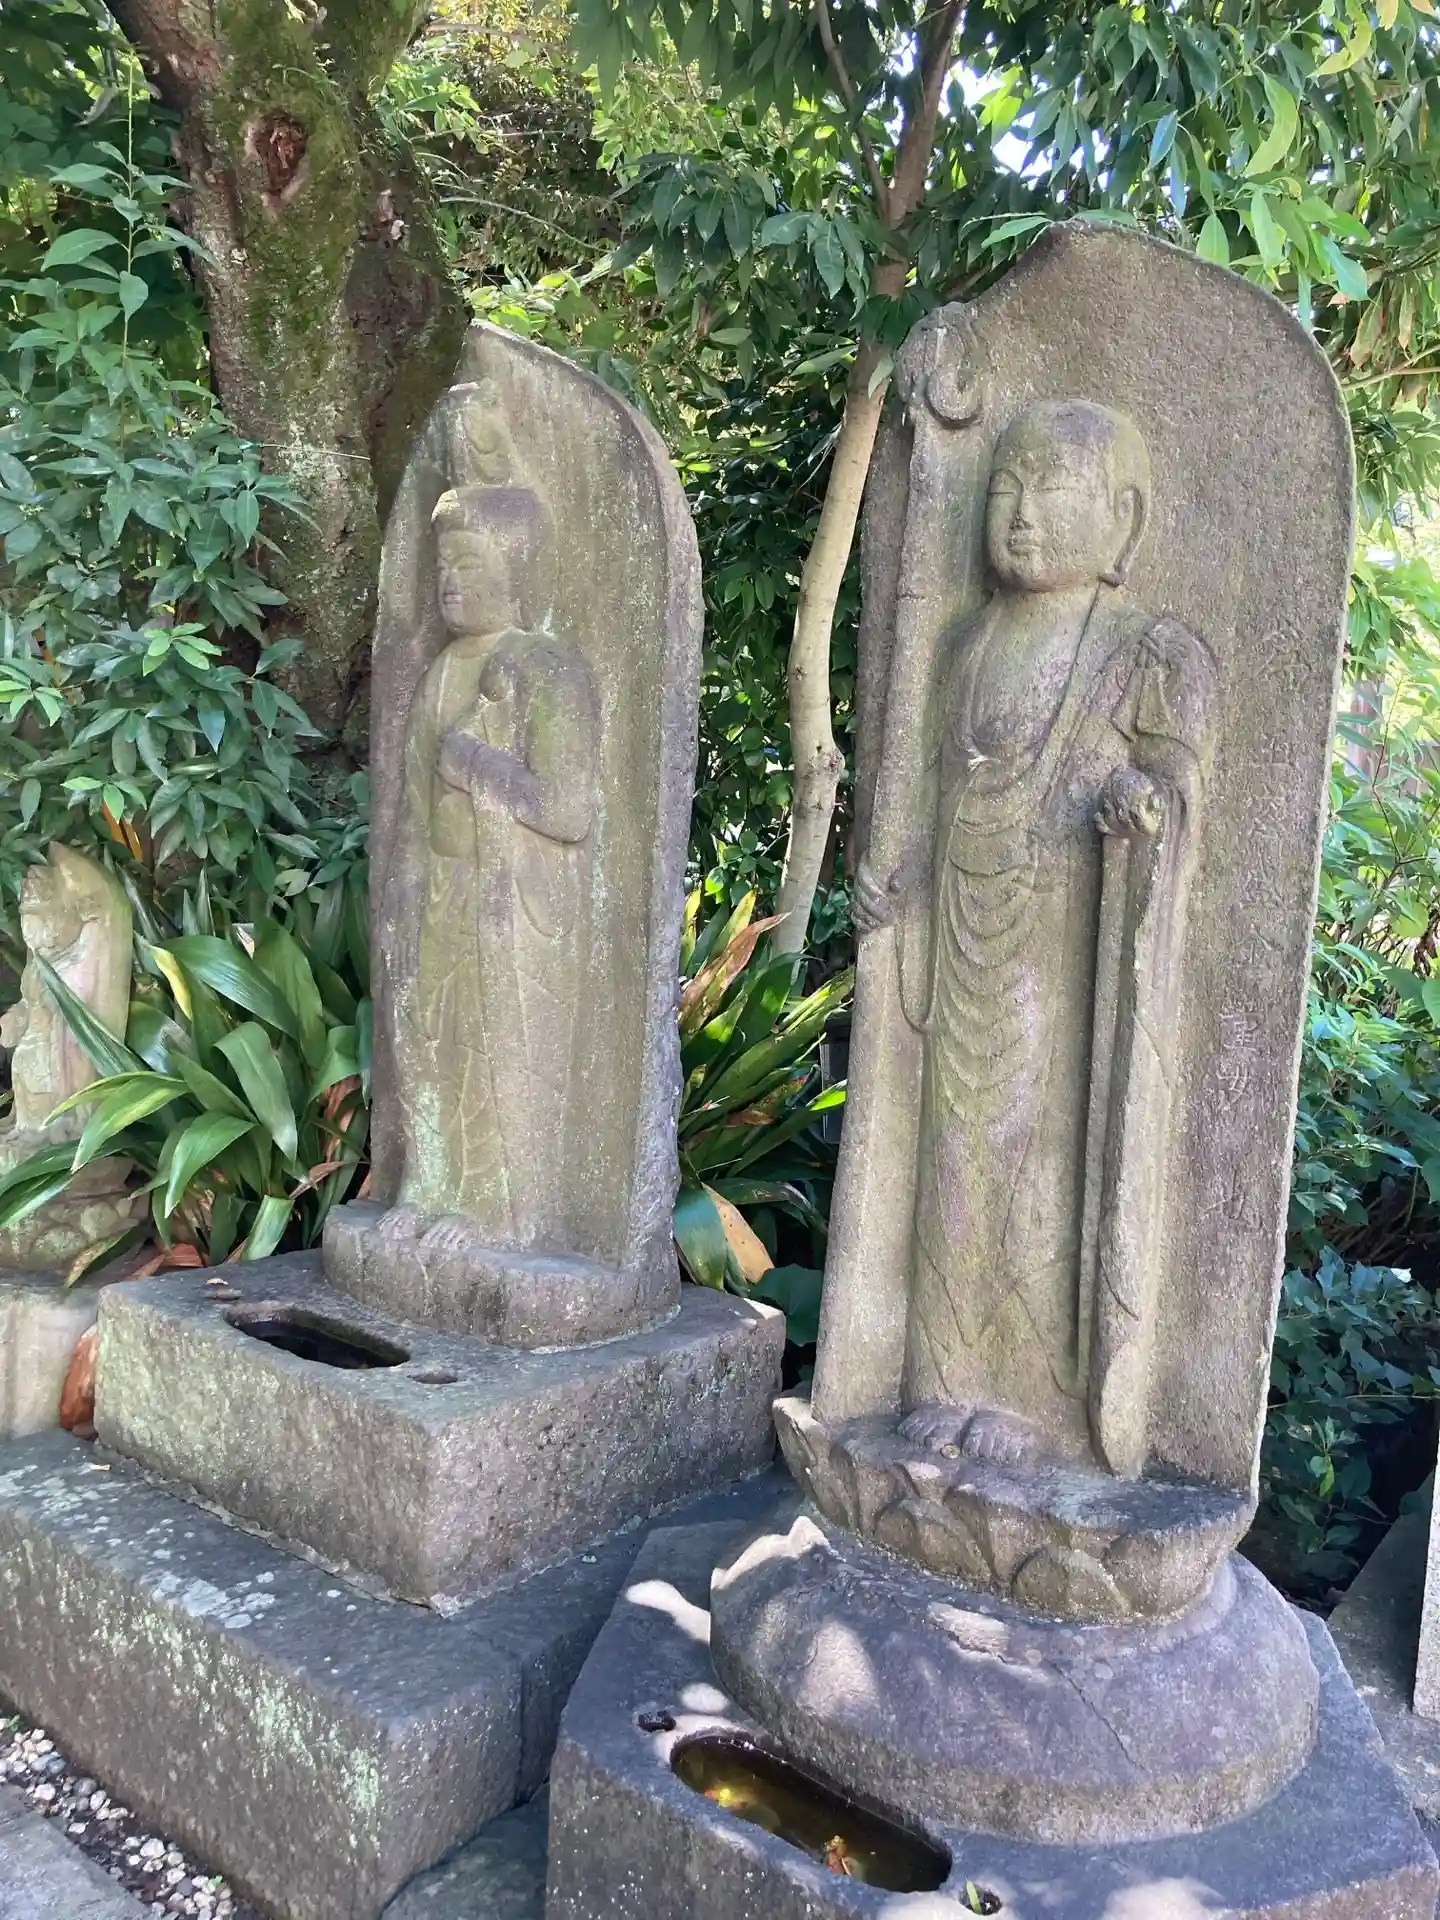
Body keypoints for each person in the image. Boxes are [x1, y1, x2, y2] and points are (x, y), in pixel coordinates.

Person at [855, 399, 1216, 1470]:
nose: (1018, 511)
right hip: (962, 939)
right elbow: (934, 791)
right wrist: (895, 877)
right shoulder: (967, 644)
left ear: (1123, 521)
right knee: (953, 1160)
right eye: (1005, 485)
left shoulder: (1146, 653)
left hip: (1066, 959)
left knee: (1037, 1161)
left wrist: (1145, 808)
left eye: (1051, 487)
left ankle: (1025, 1395)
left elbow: (1179, 793)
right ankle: (943, 1377)